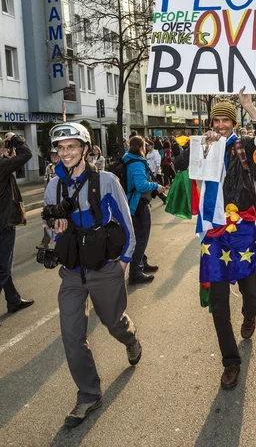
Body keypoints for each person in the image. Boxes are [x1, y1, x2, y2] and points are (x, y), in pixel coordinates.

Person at [174, 89, 256, 390]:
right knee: (218, 302)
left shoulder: (243, 145)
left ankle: (250, 315)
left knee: (250, 290)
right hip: (213, 233)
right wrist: (200, 147)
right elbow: (179, 165)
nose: (220, 126)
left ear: (233, 123)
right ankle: (230, 362)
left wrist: (250, 108)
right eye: (216, 121)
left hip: (242, 228)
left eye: (225, 121)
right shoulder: (203, 145)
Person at [44, 122, 140, 428]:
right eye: (60, 148)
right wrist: (54, 233)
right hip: (72, 272)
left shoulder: (107, 180)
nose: (65, 153)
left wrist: (123, 263)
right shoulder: (53, 185)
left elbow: (126, 223)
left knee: (114, 323)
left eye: (72, 147)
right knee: (72, 336)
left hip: (105, 269)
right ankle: (88, 394)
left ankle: (130, 338)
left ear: (85, 149)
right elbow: (49, 225)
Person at [0, 133, 34, 318]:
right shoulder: (3, 166)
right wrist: (17, 138)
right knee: (3, 269)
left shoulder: (3, 165)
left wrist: (7, 156)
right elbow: (27, 154)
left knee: (2, 265)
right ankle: (13, 300)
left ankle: (13, 300)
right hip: (4, 223)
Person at [124, 136, 165, 285]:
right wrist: (156, 187)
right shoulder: (137, 163)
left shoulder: (127, 159)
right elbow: (141, 185)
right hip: (137, 204)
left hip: (130, 203)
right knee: (141, 238)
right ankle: (135, 272)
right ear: (141, 147)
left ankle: (142, 262)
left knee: (138, 236)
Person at [38, 148, 61, 250]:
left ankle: (61, 242)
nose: (54, 156)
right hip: (51, 197)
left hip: (61, 197)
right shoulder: (49, 166)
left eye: (56, 154)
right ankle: (45, 242)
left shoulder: (64, 166)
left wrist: (52, 174)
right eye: (52, 155)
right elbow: (46, 180)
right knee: (48, 218)